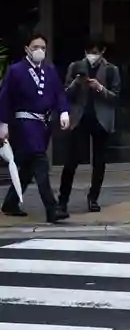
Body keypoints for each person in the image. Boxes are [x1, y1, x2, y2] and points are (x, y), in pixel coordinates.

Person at [0, 31, 70, 223]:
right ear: (26, 49)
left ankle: (10, 203)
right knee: (40, 163)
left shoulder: (50, 70)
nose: (39, 51)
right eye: (35, 47)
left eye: (43, 48)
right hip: (24, 124)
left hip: (43, 125)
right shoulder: (16, 70)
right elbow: (5, 98)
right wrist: (3, 124)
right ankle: (52, 208)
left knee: (27, 168)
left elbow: (59, 93)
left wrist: (64, 111)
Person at [58, 37, 121, 214]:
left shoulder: (111, 70)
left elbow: (115, 97)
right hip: (80, 119)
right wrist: (75, 83)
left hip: (101, 120)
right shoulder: (75, 67)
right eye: (89, 52)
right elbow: (65, 94)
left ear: (103, 52)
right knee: (71, 161)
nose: (92, 55)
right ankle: (62, 200)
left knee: (99, 162)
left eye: (95, 52)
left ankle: (93, 198)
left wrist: (100, 88)